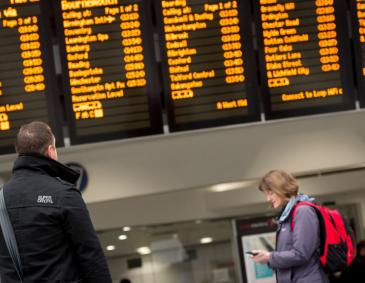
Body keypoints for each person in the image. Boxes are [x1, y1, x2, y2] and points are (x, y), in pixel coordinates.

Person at [0, 121, 112, 282]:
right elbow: (91, 257)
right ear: (51, 151)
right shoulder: (64, 194)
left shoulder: (2, 199)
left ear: (19, 152)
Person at [251, 169, 328, 283]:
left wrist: (270, 257)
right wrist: (267, 258)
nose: (268, 199)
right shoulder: (287, 215)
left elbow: (301, 254)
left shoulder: (303, 211)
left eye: (270, 193)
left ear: (281, 188)